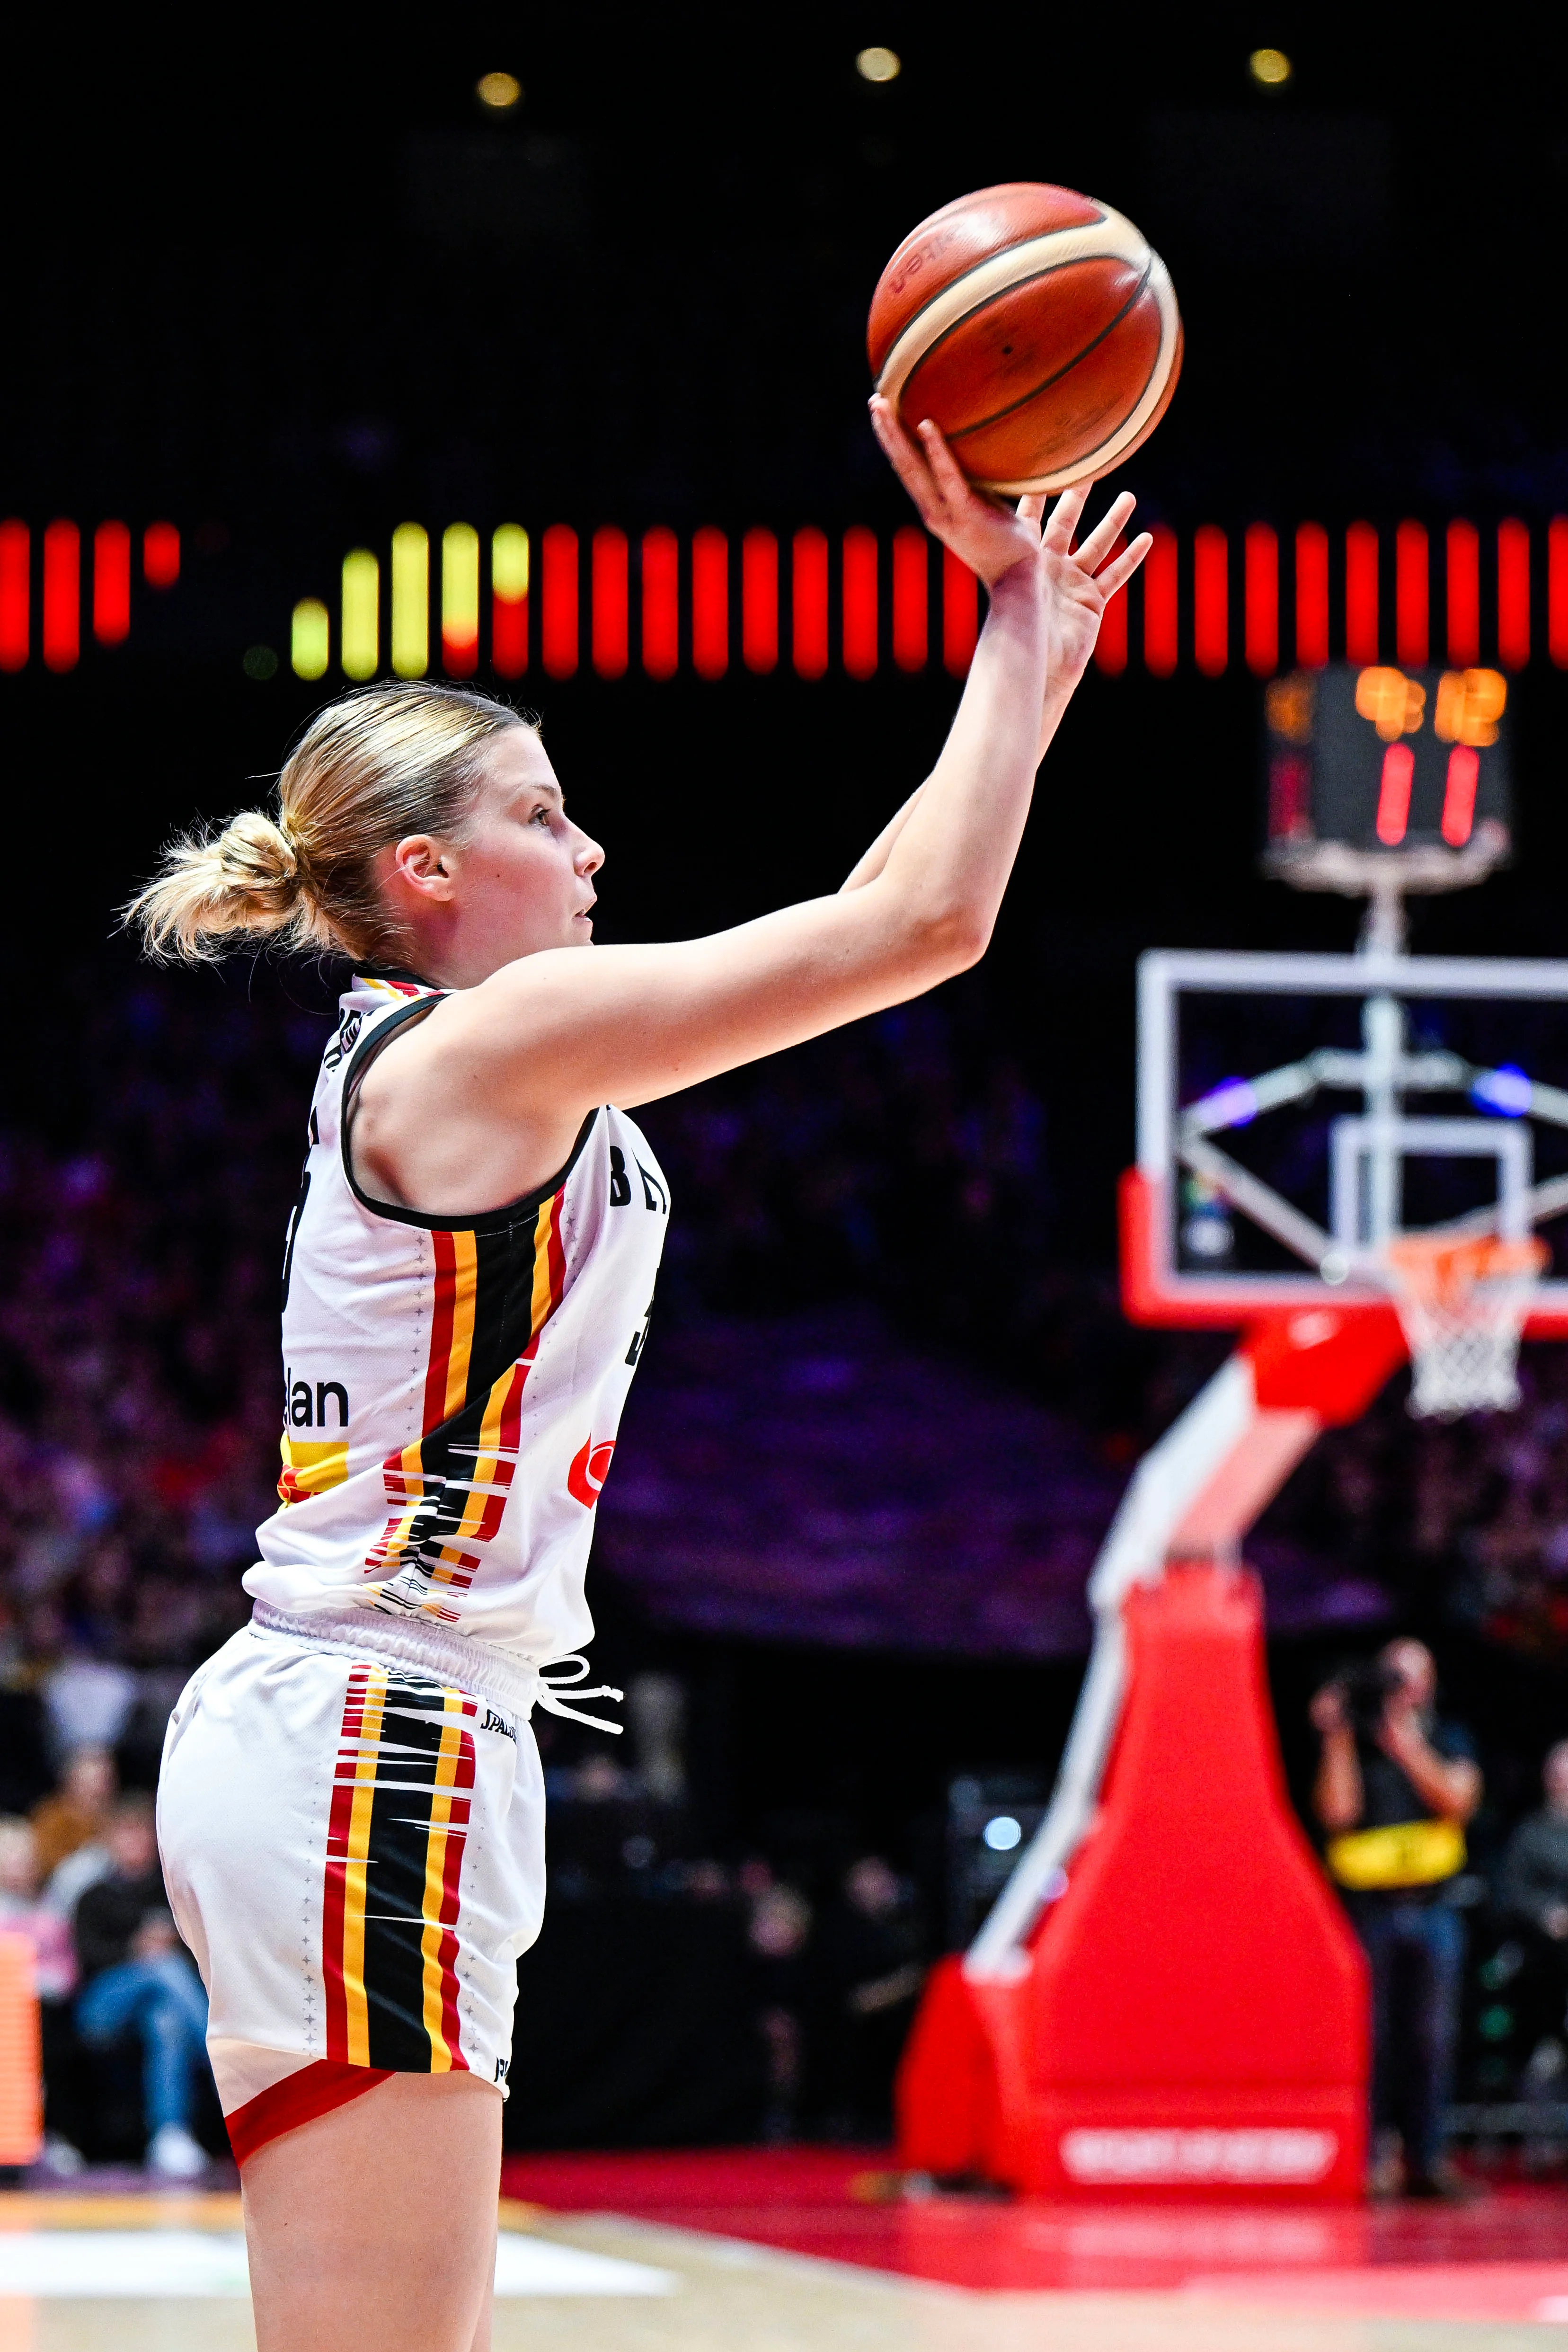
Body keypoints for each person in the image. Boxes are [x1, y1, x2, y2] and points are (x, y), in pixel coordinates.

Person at [129, 406, 1150, 2350]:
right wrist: (1016, 637)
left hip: (362, 1727)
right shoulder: (479, 1046)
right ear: (424, 871)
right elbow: (918, 927)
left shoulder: (454, 1057)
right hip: (379, 1732)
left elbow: (890, 904)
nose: (590, 846)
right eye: (541, 814)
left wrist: (1027, 667)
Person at [1312, 1638, 1482, 2198]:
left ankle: (1427, 2159)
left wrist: (1404, 1744)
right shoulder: (1354, 1745)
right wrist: (1338, 1734)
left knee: (1431, 2040)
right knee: (1372, 2040)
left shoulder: (1446, 1737)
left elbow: (1457, 1800)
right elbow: (1336, 1813)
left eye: (1411, 1677)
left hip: (1432, 1909)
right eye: (1392, 1676)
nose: (1401, 1688)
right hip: (1369, 1914)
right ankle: (1372, 2159)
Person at [72, 1793, 211, 2179]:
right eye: (126, 1835)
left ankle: (169, 2134)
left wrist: (170, 1946)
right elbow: (87, 1959)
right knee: (160, 1968)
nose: (135, 1844)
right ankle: (217, 2056)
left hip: (158, 2005)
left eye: (141, 1835)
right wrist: (135, 1949)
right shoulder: (93, 1896)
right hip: (102, 2008)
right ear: (111, 1840)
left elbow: (199, 1955)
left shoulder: (167, 1893)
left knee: (166, 2021)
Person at [29, 1744, 116, 1884]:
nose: (98, 1791)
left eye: (104, 1783)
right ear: (71, 1782)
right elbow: (44, 1865)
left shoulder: (117, 1816)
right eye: (89, 1785)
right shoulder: (51, 1819)